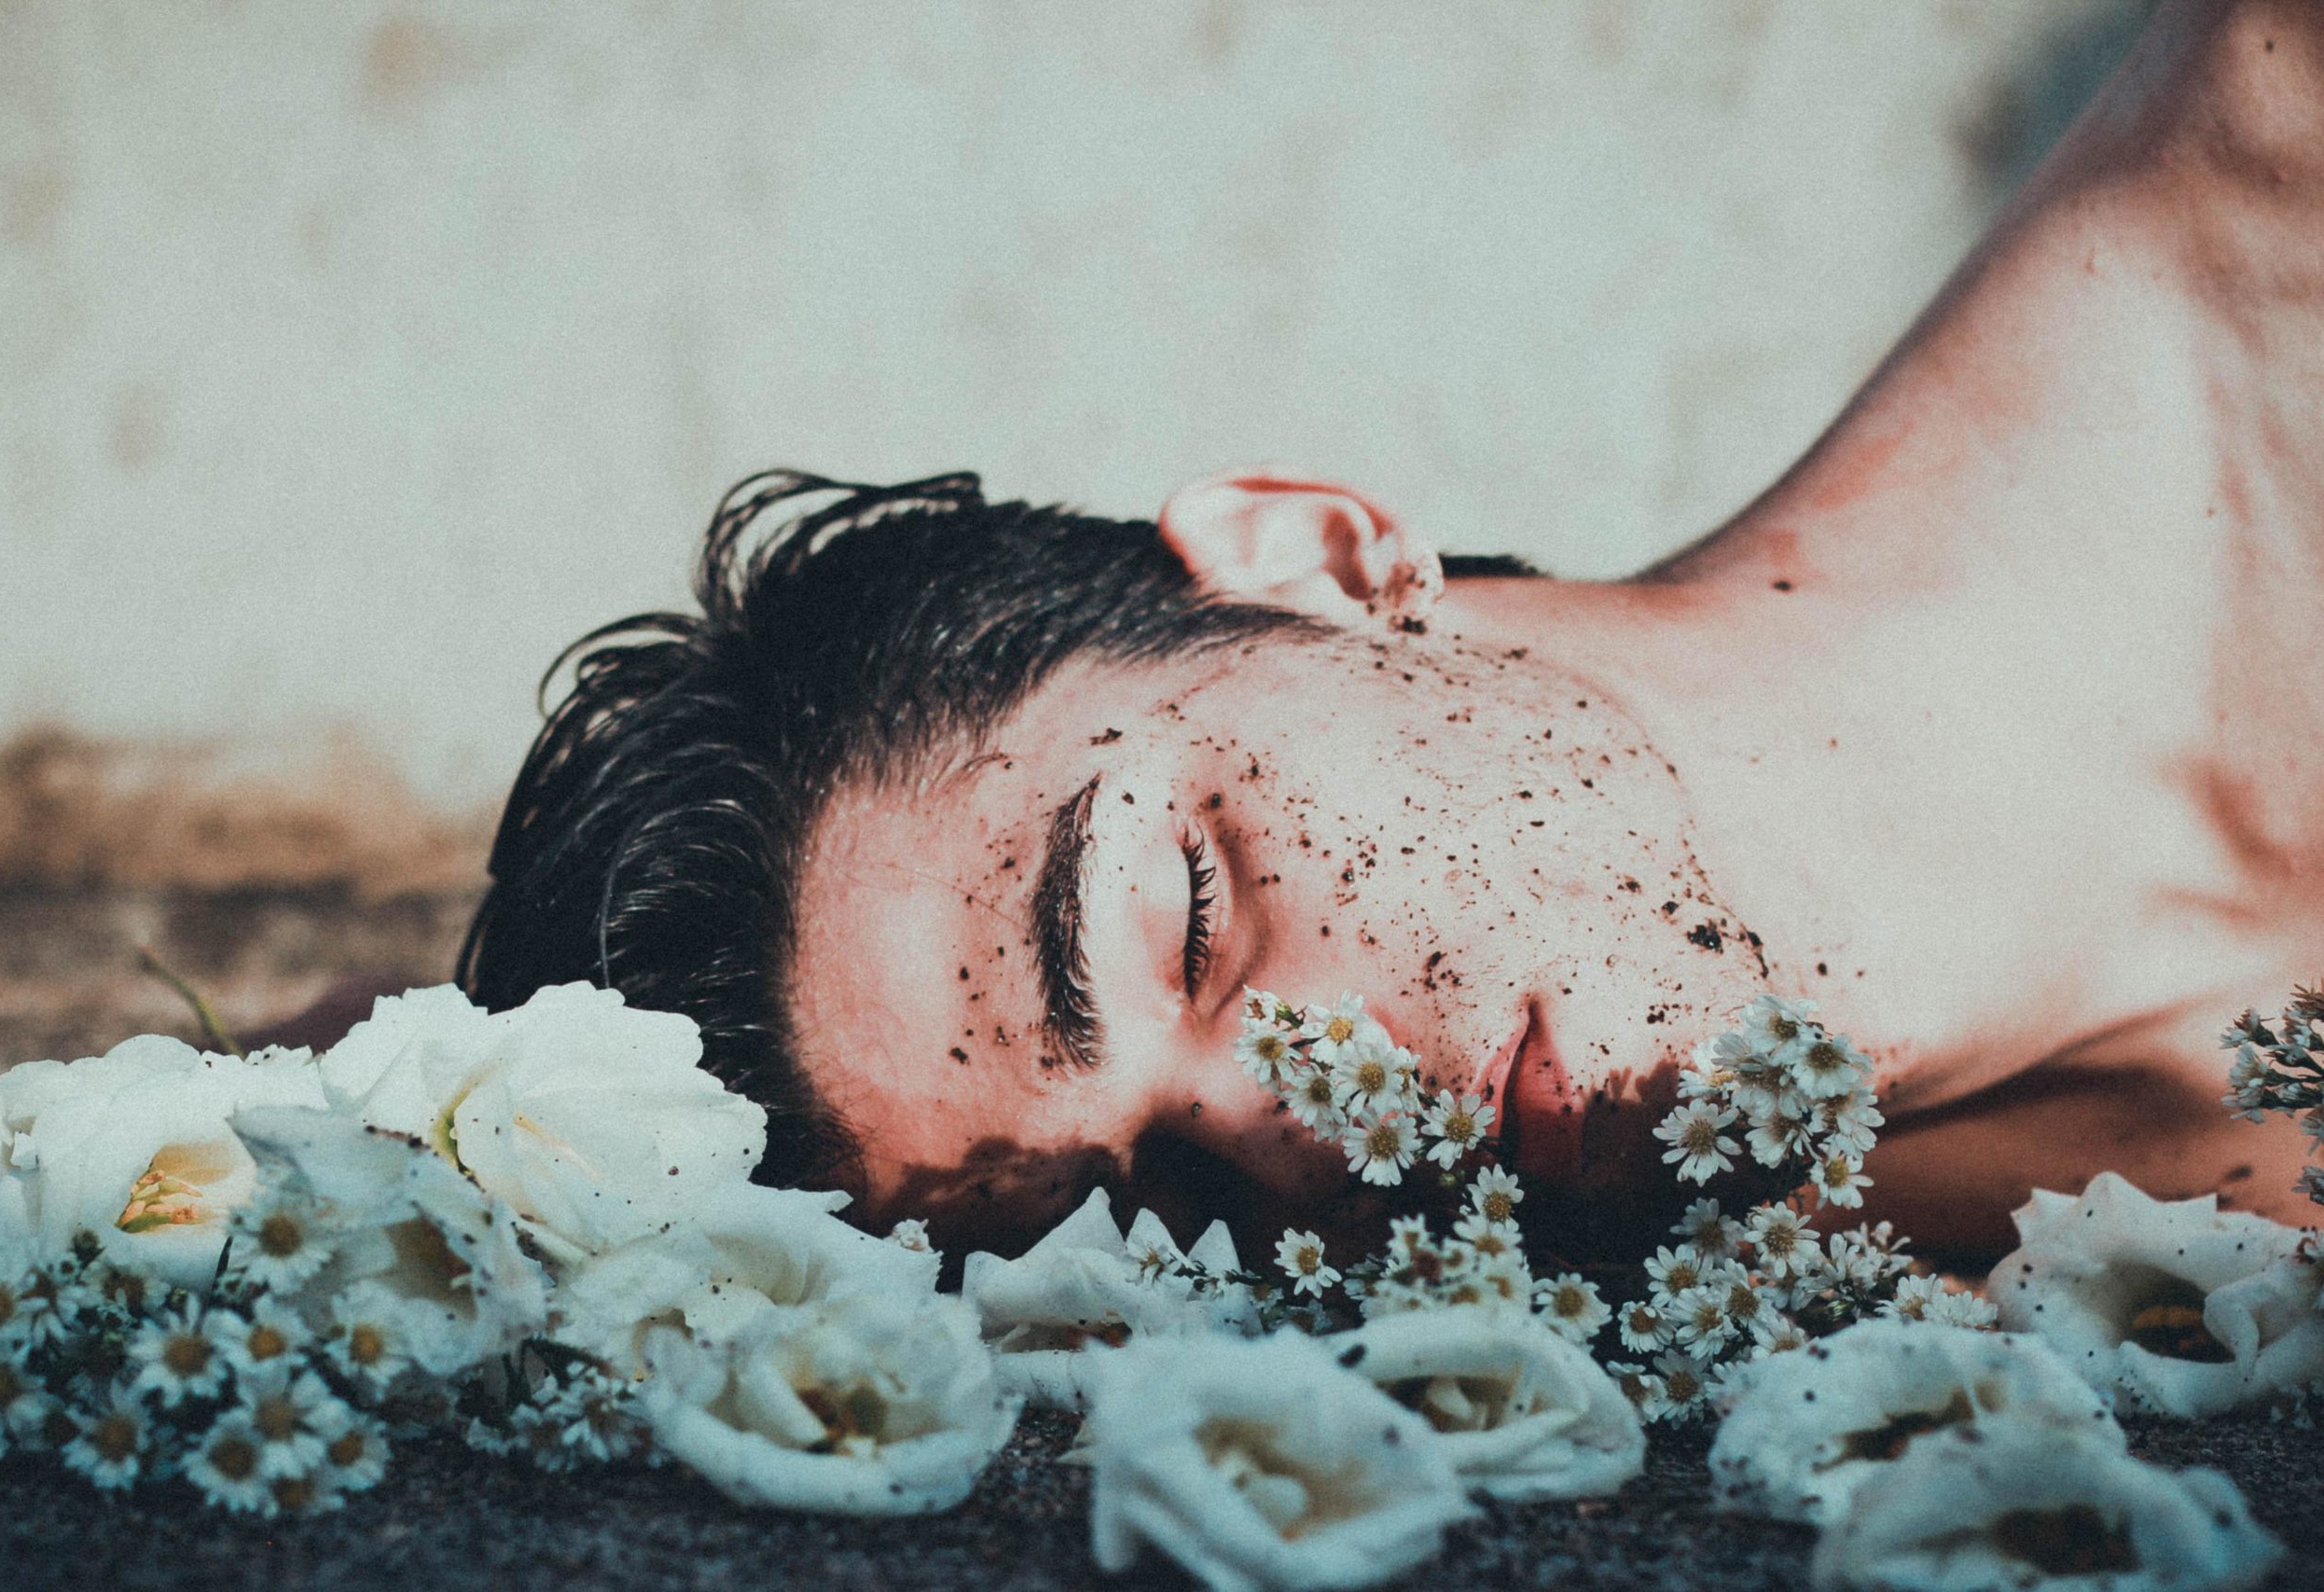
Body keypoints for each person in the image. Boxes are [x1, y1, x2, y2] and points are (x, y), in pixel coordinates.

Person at [460, 0, 2324, 1264]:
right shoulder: (1927, 1278)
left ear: (1320, 563)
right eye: (1172, 1200)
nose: (1296, 1131)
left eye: (1188, 917)